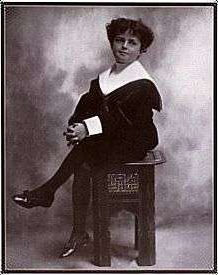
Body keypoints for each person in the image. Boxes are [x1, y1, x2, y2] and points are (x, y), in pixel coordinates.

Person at [13, 17, 162, 258]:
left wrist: (87, 129)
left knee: (85, 155)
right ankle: (76, 228)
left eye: (132, 43)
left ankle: (50, 196)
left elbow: (123, 121)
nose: (124, 46)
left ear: (141, 50)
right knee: (83, 157)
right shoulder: (105, 78)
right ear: (112, 43)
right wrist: (76, 126)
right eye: (119, 40)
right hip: (110, 138)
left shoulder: (143, 84)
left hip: (136, 140)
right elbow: (87, 104)